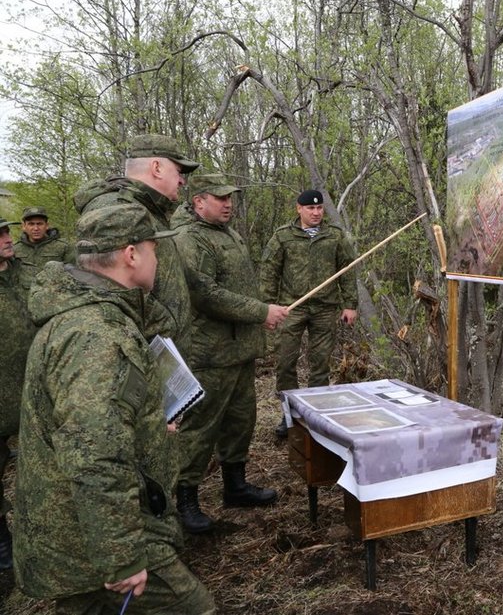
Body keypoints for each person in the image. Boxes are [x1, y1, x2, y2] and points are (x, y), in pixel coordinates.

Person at [14, 203, 215, 614]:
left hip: (83, 529)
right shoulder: (95, 335)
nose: (157, 258)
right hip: (89, 540)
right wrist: (122, 558)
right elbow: (94, 458)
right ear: (130, 254)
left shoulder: (90, 317)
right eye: (153, 249)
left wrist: (147, 427)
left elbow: (93, 421)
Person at [173, 174, 289, 533]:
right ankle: (186, 501)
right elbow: (205, 295)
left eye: (230, 198)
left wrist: (259, 317)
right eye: (219, 198)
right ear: (198, 202)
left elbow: (236, 288)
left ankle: (235, 487)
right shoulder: (189, 239)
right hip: (209, 353)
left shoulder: (229, 234)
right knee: (201, 427)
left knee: (241, 421)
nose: (228, 204)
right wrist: (260, 311)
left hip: (239, 350)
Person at [74, 133, 199, 357]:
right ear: (157, 168)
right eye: (178, 172)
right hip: (137, 356)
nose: (182, 181)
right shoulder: (116, 208)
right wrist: (166, 326)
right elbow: (102, 285)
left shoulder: (150, 210)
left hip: (162, 356)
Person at [260, 189, 358, 437]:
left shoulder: (334, 236)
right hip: (291, 307)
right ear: (299, 209)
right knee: (285, 363)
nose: (316, 213)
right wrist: (267, 307)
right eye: (310, 208)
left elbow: (347, 270)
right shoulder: (283, 237)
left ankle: (316, 418)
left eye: (319, 208)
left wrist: (350, 304)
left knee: (320, 365)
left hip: (325, 308)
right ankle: (289, 416)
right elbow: (269, 271)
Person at [0, 216, 36, 571]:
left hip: (33, 389)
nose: (7, 238)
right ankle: (2, 543)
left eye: (7, 231)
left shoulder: (28, 273)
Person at [13, 206, 75, 288]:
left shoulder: (63, 247)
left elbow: (75, 275)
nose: (36, 228)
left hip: (53, 296)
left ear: (47, 225)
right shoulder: (14, 250)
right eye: (31, 224)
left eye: (40, 224)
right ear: (24, 226)